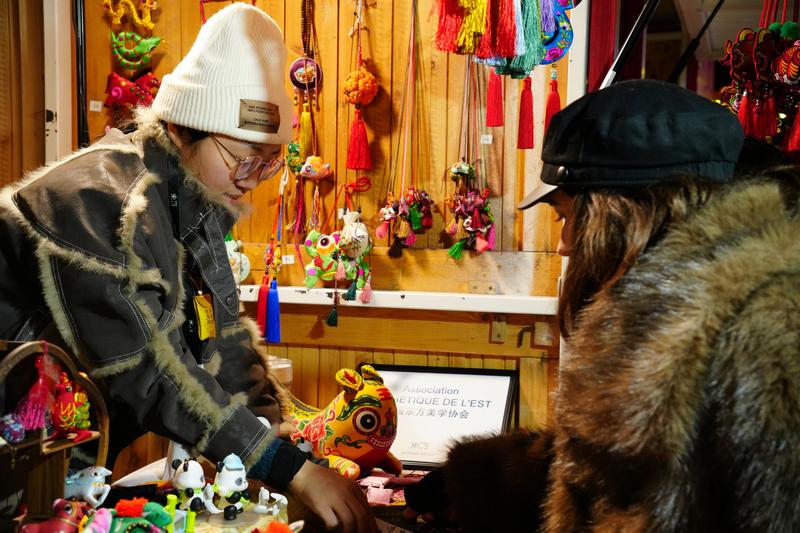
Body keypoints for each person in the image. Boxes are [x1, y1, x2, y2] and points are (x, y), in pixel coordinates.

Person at [0, 5, 376, 532]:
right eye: (244, 158)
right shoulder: (102, 200)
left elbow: (225, 342)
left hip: (56, 457)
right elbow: (150, 371)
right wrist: (287, 470)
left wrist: (301, 452)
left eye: (268, 163)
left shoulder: (192, 199)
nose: (252, 179)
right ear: (182, 127)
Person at [404, 79, 800, 531]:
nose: (563, 244)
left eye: (567, 217)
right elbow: (622, 472)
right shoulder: (691, 310)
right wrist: (478, 483)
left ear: (626, 214)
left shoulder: (761, 334)